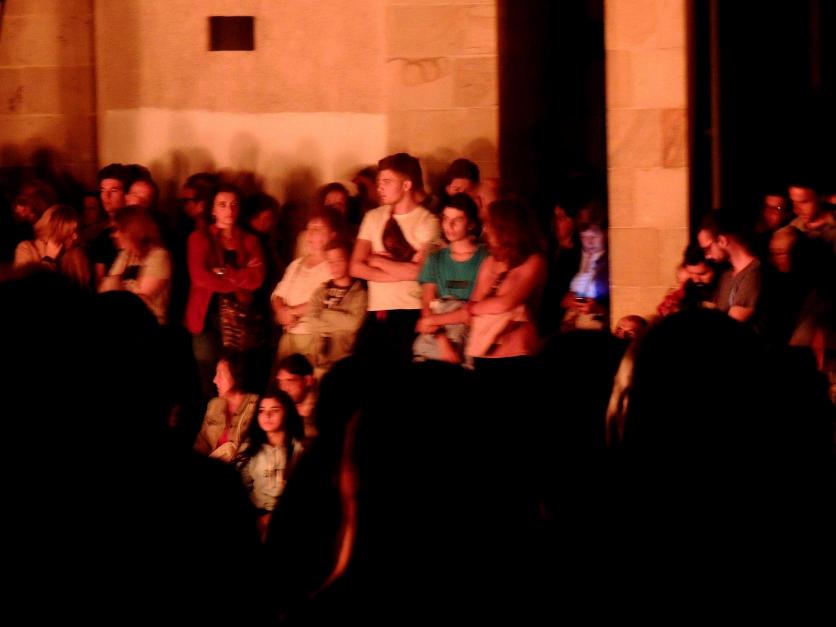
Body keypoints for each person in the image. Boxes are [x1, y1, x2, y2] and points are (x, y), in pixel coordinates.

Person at [414, 193, 487, 365]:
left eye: (457, 220)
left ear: (471, 224)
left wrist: (431, 321)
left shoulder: (485, 257)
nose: (449, 225)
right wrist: (443, 343)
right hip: (439, 337)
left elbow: (477, 309)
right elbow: (427, 306)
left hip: (473, 337)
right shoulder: (435, 258)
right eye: (446, 219)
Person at [235, 387, 305, 541]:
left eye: (275, 410)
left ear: (286, 413)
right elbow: (240, 486)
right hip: (255, 513)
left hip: (287, 515)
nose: (267, 415)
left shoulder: (298, 449)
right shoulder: (250, 448)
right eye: (261, 411)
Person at [99, 206, 172, 324]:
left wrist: (117, 287)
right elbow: (106, 289)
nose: (113, 235)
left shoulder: (159, 256)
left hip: (148, 324)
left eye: (117, 230)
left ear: (132, 230)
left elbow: (139, 302)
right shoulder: (126, 255)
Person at [193, 354, 259, 462]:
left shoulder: (254, 405)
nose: (215, 380)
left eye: (221, 374)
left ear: (236, 376)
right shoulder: (214, 405)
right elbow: (202, 443)